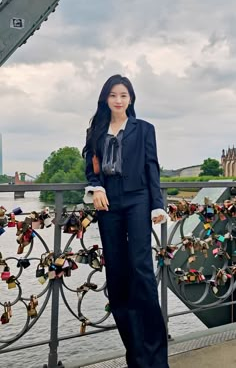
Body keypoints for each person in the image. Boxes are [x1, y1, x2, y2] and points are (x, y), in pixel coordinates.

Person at [82, 74, 169, 368]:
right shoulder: (95, 130)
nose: (118, 100)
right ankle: (135, 356)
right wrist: (96, 187)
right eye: (113, 95)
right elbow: (90, 166)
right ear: (105, 99)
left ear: (130, 99)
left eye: (124, 95)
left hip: (138, 199)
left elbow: (151, 167)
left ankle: (156, 359)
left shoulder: (144, 129)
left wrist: (157, 205)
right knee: (117, 277)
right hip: (108, 203)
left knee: (142, 273)